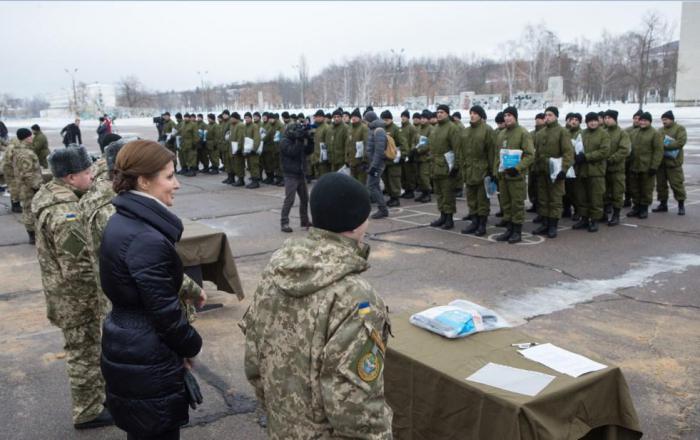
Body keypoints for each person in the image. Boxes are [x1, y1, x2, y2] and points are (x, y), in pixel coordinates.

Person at [242, 172, 393, 439]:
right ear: (358, 223)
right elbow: (355, 404)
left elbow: (254, 357)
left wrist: (277, 412)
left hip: (282, 426)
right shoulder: (355, 297)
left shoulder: (277, 269)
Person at [100, 140, 203, 440]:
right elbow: (165, 312)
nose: (178, 184)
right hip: (148, 355)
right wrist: (190, 344)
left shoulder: (123, 220)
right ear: (144, 181)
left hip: (131, 345)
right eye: (169, 176)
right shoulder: (145, 237)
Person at [32, 145, 113, 429]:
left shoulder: (48, 195)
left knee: (86, 351)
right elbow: (78, 267)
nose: (91, 176)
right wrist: (99, 298)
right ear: (69, 177)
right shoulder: (67, 215)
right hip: (77, 299)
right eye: (86, 172)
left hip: (64, 294)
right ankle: (88, 411)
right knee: (83, 353)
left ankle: (96, 399)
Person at [493, 106, 534, 244]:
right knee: (506, 203)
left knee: (516, 204)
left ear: (515, 117)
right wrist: (495, 172)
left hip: (516, 177)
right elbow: (497, 156)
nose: (507, 118)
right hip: (503, 175)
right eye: (505, 115)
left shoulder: (523, 133)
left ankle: (517, 231)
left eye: (510, 115)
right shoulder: (501, 134)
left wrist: (517, 168)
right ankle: (509, 229)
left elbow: (530, 155)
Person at [531, 107, 572, 239]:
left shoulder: (562, 132)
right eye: (546, 115)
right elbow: (536, 153)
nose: (547, 117)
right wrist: (535, 168)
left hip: (556, 173)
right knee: (543, 199)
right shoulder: (540, 133)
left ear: (556, 116)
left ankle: (553, 225)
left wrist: (564, 169)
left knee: (555, 199)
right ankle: (545, 223)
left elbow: (568, 153)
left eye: (550, 115)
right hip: (542, 171)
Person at [458, 105, 494, 236]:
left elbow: (491, 152)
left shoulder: (487, 130)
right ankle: (474, 222)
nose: (472, 115)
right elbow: (461, 152)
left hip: (482, 171)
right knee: (471, 199)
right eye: (471, 113)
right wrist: (462, 167)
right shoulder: (465, 132)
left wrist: (491, 172)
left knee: (482, 200)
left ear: (480, 115)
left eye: (475, 113)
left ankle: (482, 225)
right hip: (469, 170)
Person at [573, 112, 610, 232]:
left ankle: (594, 220)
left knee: (596, 197)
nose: (593, 123)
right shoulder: (581, 134)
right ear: (586, 122)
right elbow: (576, 147)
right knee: (582, 196)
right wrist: (576, 156)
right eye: (590, 121)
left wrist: (586, 157)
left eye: (594, 120)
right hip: (582, 171)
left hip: (596, 171)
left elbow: (604, 151)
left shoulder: (603, 134)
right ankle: (584, 218)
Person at [429, 104, 461, 230]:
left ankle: (449, 219)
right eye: (438, 112)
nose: (439, 114)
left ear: (447, 113)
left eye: (442, 112)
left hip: (448, 166)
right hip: (436, 165)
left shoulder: (452, 128)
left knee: (448, 194)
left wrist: (456, 166)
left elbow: (457, 148)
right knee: (440, 193)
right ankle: (442, 216)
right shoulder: (435, 128)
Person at [7, 128, 42, 243]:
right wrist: (36, 187)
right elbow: (27, 174)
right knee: (29, 211)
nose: (32, 137)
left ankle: (33, 234)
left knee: (29, 210)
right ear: (26, 138)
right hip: (28, 188)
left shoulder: (20, 151)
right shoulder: (25, 153)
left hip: (25, 186)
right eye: (30, 136)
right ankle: (33, 236)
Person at [627, 112, 663, 219]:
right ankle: (636, 207)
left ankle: (644, 208)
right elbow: (629, 148)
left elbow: (658, 151)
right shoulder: (634, 132)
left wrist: (654, 166)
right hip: (634, 166)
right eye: (641, 120)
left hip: (647, 167)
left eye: (645, 121)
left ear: (649, 122)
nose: (642, 122)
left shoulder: (655, 134)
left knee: (646, 189)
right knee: (634, 188)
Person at [279, 123, 314, 233]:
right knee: (290, 200)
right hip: (290, 174)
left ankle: (304, 221)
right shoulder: (284, 141)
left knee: (305, 199)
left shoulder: (297, 140)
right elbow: (293, 152)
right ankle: (284, 222)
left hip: (300, 173)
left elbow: (308, 151)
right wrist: (299, 139)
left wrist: (310, 140)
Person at [654, 110, 687, 215]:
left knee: (677, 185)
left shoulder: (679, 129)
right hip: (661, 163)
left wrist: (665, 145)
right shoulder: (659, 130)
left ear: (672, 119)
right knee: (661, 186)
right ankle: (663, 204)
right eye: (663, 120)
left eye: (666, 119)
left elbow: (680, 142)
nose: (664, 122)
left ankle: (681, 205)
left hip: (674, 163)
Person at [603, 110, 631, 226]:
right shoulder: (603, 132)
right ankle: (603, 214)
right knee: (604, 193)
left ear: (615, 119)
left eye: (609, 118)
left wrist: (612, 158)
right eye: (605, 117)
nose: (606, 120)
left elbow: (624, 150)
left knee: (617, 193)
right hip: (604, 169)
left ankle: (616, 215)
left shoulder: (622, 133)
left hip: (617, 169)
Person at [365, 111, 389, 219]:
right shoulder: (373, 129)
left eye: (365, 119)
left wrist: (374, 166)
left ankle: (383, 209)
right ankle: (382, 208)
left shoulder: (379, 130)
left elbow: (379, 151)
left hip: (377, 164)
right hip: (374, 163)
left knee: (371, 185)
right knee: (375, 185)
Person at [346, 108, 369, 184]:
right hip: (352, 161)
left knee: (362, 183)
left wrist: (365, 160)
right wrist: (347, 158)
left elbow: (367, 144)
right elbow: (348, 144)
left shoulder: (364, 128)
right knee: (353, 182)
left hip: (361, 161)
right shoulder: (350, 128)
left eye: (355, 117)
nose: (353, 118)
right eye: (352, 117)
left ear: (359, 118)